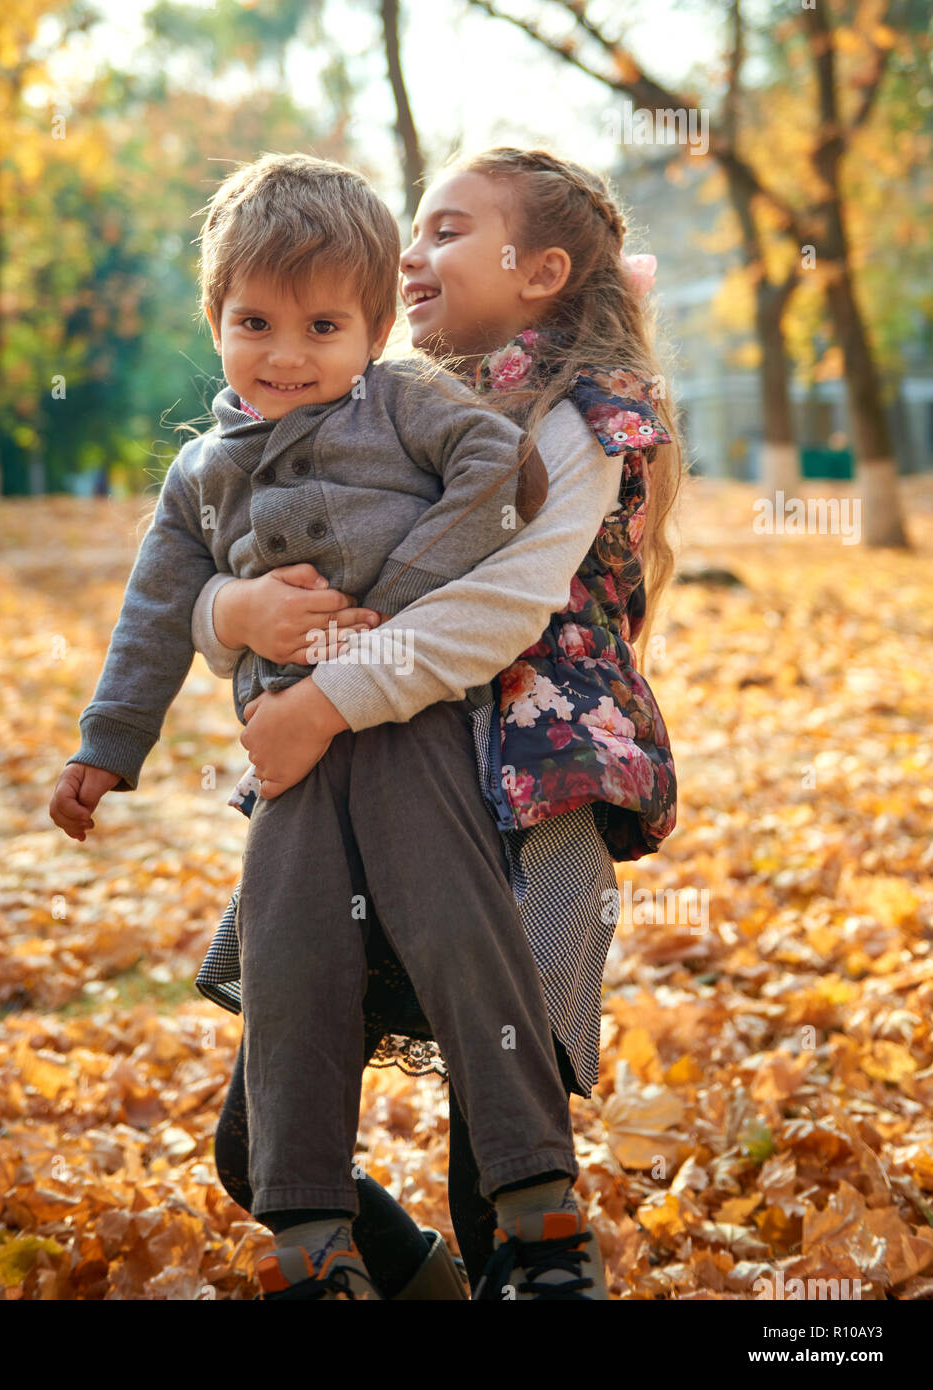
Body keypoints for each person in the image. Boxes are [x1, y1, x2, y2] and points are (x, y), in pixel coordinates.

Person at [49, 151, 594, 1300]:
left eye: (322, 324)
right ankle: (312, 1237)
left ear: (375, 325)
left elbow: (502, 479)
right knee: (291, 960)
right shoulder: (199, 473)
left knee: (463, 930)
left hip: (408, 739)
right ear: (214, 317)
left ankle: (540, 1210)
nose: (286, 353)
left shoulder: (407, 402)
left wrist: (382, 607)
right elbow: (157, 612)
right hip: (286, 766)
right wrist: (107, 747)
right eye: (254, 321)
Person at [191, 147, 686, 1299]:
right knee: (256, 1141)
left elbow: (500, 608)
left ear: (540, 270)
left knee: (503, 1160)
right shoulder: (377, 404)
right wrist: (239, 609)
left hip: (530, 803)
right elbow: (231, 552)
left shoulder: (582, 420)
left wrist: (318, 698)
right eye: (414, 230)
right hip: (360, 795)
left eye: (449, 230)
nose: (411, 254)